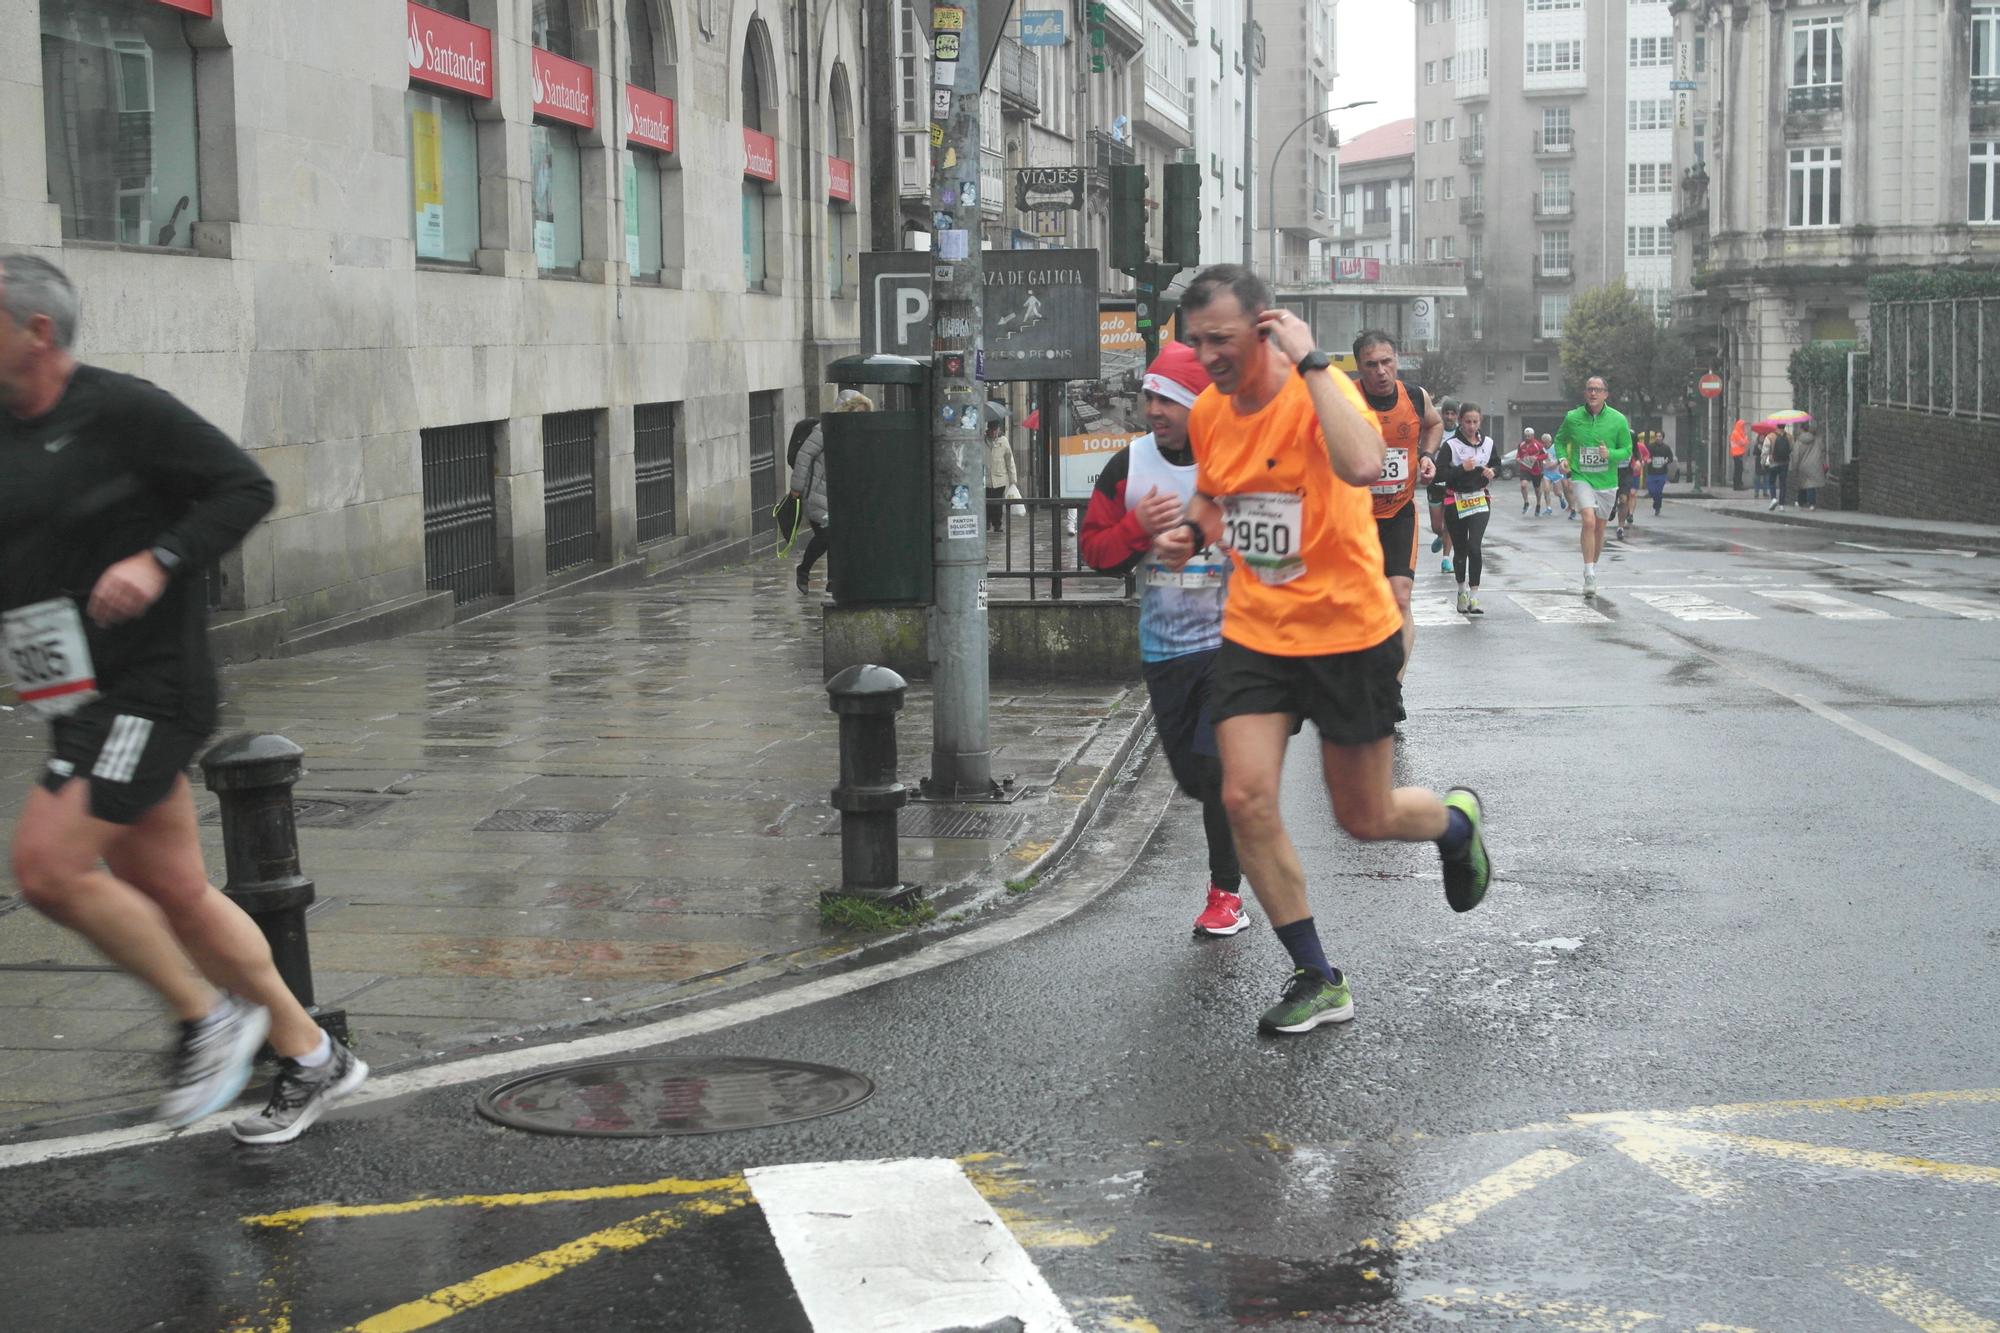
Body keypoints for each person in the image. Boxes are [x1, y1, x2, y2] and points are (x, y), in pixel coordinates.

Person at [0, 252, 366, 1144]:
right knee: (175, 889)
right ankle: (314, 1054)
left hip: (148, 690)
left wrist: (157, 559)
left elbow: (246, 486)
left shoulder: (122, 409)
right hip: (74, 690)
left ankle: (207, 1019)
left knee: (47, 868)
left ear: (34, 331)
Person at [1156, 265, 1493, 1036]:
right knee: (1242, 797)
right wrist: (1192, 531)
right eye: (1196, 340)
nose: (1206, 355)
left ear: (1265, 328)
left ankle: (1455, 825)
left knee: (1364, 816)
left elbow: (1365, 465)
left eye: (1223, 339)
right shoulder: (1210, 412)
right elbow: (1217, 493)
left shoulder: (1321, 392)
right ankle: (1317, 973)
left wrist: (1315, 366)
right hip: (1255, 632)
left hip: (1346, 630)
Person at [1080, 343, 1246, 938]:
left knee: (1215, 761)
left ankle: (1226, 893)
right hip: (1165, 647)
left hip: (1233, 643)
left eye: (1169, 399)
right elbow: (1093, 554)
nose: (1154, 409)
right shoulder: (1129, 466)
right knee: (1195, 778)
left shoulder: (1233, 463)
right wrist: (1135, 528)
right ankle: (1239, 814)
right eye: (1150, 396)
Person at [1352, 329, 1442, 684]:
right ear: (1359, 367)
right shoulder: (1346, 399)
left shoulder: (1415, 397)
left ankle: (1393, 687)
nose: (1380, 371)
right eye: (1371, 365)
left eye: (1387, 362)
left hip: (1399, 513)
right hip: (1353, 517)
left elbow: (1433, 425)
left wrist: (1427, 456)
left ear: (1397, 361)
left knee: (1400, 598)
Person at [1552, 374, 1633, 599]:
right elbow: (1560, 441)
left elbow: (1627, 449)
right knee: (1588, 519)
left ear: (1606, 394)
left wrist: (1611, 454)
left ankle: (1593, 567)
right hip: (1581, 476)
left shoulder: (1618, 420)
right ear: (1585, 393)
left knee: (1599, 527)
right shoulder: (1572, 417)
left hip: (1607, 481)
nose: (1593, 393)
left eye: (1598, 389)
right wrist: (1562, 459)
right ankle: (1588, 573)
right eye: (1589, 389)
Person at [788, 391, 870, 594]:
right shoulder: (824, 430)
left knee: (837, 537)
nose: (859, 417)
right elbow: (804, 457)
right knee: (828, 535)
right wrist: (796, 489)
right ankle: (804, 571)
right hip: (816, 494)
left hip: (838, 496)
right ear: (846, 410)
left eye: (863, 413)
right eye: (856, 411)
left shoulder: (857, 435)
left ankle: (834, 581)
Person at [1442, 404, 1496, 614]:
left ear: (1480, 422)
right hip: (1455, 501)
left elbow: (1496, 463)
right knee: (1461, 549)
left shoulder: (1488, 443)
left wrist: (1494, 471)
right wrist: (1460, 469)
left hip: (1480, 499)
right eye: (1467, 422)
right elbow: (1441, 474)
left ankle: (1474, 596)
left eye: (1475, 422)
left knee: (1474, 546)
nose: (1471, 426)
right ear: (1460, 421)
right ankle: (1461, 590)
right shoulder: (1451, 445)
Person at [1427, 397, 1458, 573]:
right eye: (1447, 413)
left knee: (1450, 523)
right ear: (1442, 414)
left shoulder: (1460, 434)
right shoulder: (1436, 431)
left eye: (1453, 413)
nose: (1449, 416)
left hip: (1453, 482)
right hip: (1435, 480)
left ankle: (1446, 560)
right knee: (1437, 526)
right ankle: (1439, 535)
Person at [984, 406, 1019, 532]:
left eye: (995, 430)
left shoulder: (1003, 441)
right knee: (986, 503)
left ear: (999, 430)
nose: (993, 432)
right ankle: (987, 523)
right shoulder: (983, 441)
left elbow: (1010, 461)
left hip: (1000, 478)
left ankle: (997, 524)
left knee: (998, 503)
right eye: (991, 430)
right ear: (988, 430)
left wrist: (1013, 479)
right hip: (986, 479)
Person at [1516, 425, 1548, 515]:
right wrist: (1518, 459)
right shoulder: (1521, 445)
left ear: (1533, 436)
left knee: (1537, 489)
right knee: (1523, 485)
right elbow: (1518, 455)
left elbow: (1546, 455)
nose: (1527, 437)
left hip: (1536, 469)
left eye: (1529, 436)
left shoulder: (1538, 445)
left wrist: (1536, 457)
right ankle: (1526, 503)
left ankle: (1538, 504)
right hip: (1525, 468)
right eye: (1526, 436)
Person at [1793, 422, 1825, 510]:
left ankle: (1801, 502)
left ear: (1801, 429)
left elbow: (1796, 455)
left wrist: (1795, 466)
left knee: (1802, 483)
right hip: (1814, 465)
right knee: (1812, 484)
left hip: (1802, 466)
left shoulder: (1799, 441)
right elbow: (1822, 449)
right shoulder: (1815, 439)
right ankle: (1812, 504)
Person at [1644, 432, 1675, 516]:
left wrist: (1666, 461)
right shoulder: (1650, 446)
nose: (1658, 438)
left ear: (1663, 438)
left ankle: (1657, 506)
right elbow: (1645, 455)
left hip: (1662, 473)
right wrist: (1647, 460)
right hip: (1651, 472)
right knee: (1651, 491)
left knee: (1658, 490)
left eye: (1660, 436)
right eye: (1657, 436)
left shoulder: (1666, 448)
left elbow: (1671, 458)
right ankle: (1656, 502)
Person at [1768, 426, 1792, 510]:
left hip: (1773, 463)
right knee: (1783, 484)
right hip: (1784, 463)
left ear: (1776, 426)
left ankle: (1774, 498)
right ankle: (1781, 505)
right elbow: (1791, 449)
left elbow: (1766, 450)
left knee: (1772, 482)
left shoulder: (1770, 436)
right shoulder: (1789, 436)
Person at [1729, 417, 1749, 490]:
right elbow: (1743, 442)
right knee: (1738, 470)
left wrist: (1745, 437)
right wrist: (1746, 437)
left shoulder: (1739, 432)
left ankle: (1739, 484)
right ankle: (1737, 485)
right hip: (1737, 454)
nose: (1744, 427)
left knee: (1739, 470)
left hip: (1739, 454)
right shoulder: (1736, 433)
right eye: (1743, 426)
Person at [1754, 428, 1774, 499]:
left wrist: (1763, 449)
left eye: (1763, 437)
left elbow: (1770, 452)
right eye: (1760, 437)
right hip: (1758, 463)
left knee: (1766, 478)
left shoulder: (1768, 444)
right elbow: (1754, 453)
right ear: (1758, 438)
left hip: (1766, 462)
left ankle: (1765, 492)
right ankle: (1756, 492)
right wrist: (1758, 448)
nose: (1762, 438)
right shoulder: (1756, 445)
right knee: (1757, 479)